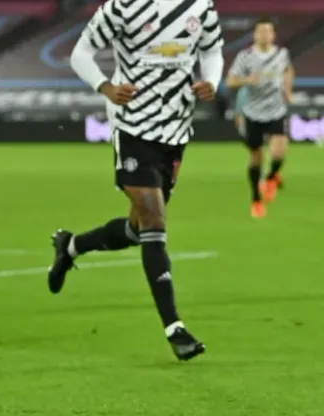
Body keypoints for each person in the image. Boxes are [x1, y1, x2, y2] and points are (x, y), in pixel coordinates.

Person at [47, 0, 225, 361]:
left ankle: (71, 246)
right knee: (154, 221)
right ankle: (175, 328)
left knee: (138, 228)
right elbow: (81, 53)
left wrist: (212, 82)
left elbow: (212, 51)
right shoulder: (121, 7)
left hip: (175, 130)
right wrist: (106, 87)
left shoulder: (200, 6)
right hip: (132, 125)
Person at [226, 17, 294, 218]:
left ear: (273, 35)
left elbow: (288, 70)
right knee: (256, 157)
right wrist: (247, 80)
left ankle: (271, 177)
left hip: (276, 110)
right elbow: (230, 81)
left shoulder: (282, 54)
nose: (265, 35)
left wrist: (288, 90)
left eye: (268, 32)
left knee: (279, 152)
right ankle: (256, 199)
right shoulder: (245, 56)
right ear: (255, 35)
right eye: (261, 32)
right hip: (253, 112)